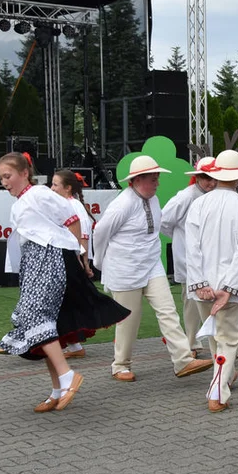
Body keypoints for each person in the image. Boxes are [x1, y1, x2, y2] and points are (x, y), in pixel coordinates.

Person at [0, 153, 129, 412]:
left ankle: (67, 377)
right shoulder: (22, 202)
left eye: (7, 176)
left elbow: (72, 219)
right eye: (1, 177)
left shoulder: (38, 194)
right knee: (46, 325)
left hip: (50, 258)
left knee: (37, 317)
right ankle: (57, 389)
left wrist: (81, 257)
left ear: (24, 173)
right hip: (37, 261)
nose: (4, 182)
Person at [92, 154, 213, 382]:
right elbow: (100, 233)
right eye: (153, 179)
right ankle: (120, 365)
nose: (157, 184)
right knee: (128, 318)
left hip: (151, 264)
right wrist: (99, 261)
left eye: (157, 178)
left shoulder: (154, 200)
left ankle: (183, 360)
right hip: (125, 268)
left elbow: (157, 228)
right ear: (136, 180)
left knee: (168, 311)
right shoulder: (122, 204)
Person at [184, 150, 238, 412]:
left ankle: (222, 380)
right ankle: (217, 391)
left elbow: (191, 248)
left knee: (216, 338)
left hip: (203, 285)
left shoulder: (199, 204)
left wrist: (199, 284)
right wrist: (227, 288)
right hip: (231, 285)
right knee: (227, 340)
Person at [160, 156, 218, 358]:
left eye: (213, 178)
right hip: (187, 257)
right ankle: (192, 343)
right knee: (191, 300)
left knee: (208, 297)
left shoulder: (215, 195)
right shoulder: (186, 196)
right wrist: (180, 239)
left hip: (208, 256)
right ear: (197, 178)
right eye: (205, 178)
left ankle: (202, 341)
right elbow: (164, 220)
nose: (210, 183)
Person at [51, 169, 95, 359]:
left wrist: (84, 263)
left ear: (68, 188)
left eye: (55, 185)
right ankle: (72, 344)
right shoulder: (64, 205)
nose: (51, 189)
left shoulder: (73, 205)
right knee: (63, 304)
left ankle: (69, 344)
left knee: (63, 303)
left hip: (71, 261)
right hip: (65, 260)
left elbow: (83, 236)